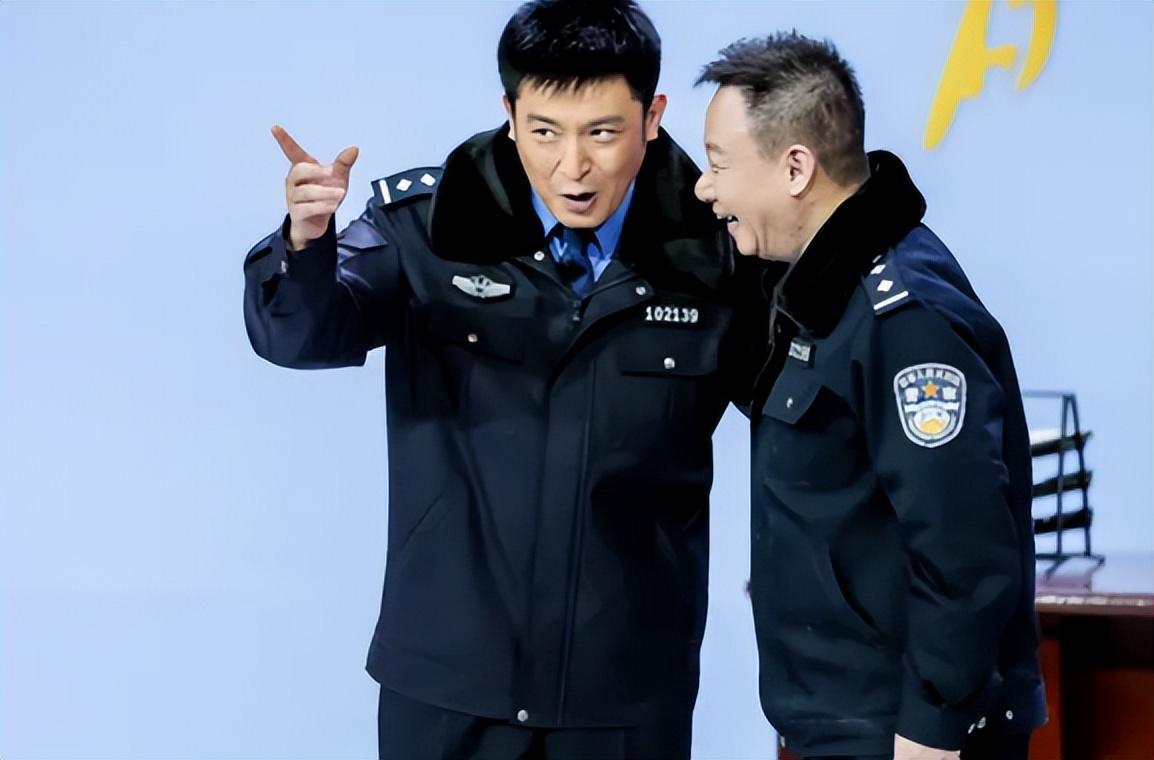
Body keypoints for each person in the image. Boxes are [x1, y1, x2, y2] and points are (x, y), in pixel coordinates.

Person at [243, 2, 744, 758]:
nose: (572, 166)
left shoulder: (718, 248)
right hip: (447, 686)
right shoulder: (425, 226)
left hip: (623, 692)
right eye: (544, 131)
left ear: (652, 117)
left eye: (602, 132)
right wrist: (304, 246)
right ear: (509, 115)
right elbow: (301, 335)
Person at [693, 33, 1045, 760]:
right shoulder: (810, 289)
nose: (705, 187)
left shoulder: (903, 318)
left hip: (902, 735)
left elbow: (965, 549)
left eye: (719, 164)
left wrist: (932, 726)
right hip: (841, 722)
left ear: (796, 168)